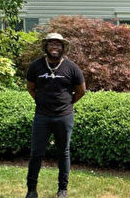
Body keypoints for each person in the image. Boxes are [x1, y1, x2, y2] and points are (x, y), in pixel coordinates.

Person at [25, 33, 86, 198]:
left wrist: (67, 104)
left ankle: (62, 189)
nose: (55, 47)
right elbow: (30, 87)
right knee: (36, 153)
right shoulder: (36, 66)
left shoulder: (72, 68)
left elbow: (81, 91)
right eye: (51, 44)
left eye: (58, 44)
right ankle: (31, 190)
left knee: (63, 153)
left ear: (63, 48)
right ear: (46, 46)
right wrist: (41, 101)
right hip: (42, 117)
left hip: (64, 117)